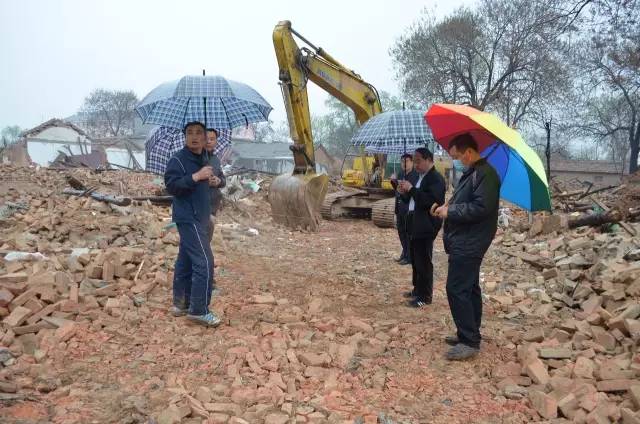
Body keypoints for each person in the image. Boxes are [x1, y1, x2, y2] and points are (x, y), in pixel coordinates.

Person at [432, 134, 501, 360]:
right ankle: (469, 331)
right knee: (470, 288)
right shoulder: (473, 173)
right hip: (465, 238)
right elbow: (466, 201)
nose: (457, 161)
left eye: (457, 157)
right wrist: (446, 206)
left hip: (471, 241)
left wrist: (451, 212)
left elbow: (481, 208)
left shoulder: (486, 175)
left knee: (456, 288)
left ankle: (469, 340)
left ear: (469, 153)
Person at [164, 121, 221, 328]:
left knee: (186, 259)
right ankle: (198, 310)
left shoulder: (206, 158)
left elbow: (216, 180)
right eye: (190, 133)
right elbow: (172, 186)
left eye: (199, 133)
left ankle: (181, 303)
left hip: (203, 216)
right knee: (204, 261)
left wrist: (214, 181)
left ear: (206, 137)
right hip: (188, 217)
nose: (194, 136)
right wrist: (196, 177)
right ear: (185, 136)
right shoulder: (177, 160)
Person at [398, 148, 446, 308]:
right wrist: (404, 192)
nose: (416, 165)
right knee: (415, 258)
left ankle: (425, 295)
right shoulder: (421, 177)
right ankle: (417, 289)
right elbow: (412, 200)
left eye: (418, 161)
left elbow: (430, 201)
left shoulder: (435, 179)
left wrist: (412, 189)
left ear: (428, 159)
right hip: (414, 222)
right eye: (415, 161)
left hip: (426, 225)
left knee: (424, 260)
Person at [390, 154, 417, 265]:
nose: (404, 163)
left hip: (408, 208)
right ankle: (404, 252)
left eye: (406, 161)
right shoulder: (401, 173)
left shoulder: (415, 176)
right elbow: (398, 190)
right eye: (402, 161)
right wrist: (393, 182)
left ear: (412, 162)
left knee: (407, 233)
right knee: (400, 231)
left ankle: (409, 256)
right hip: (399, 206)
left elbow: (412, 193)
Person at [205, 128, 226, 242]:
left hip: (213, 206)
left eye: (212, 139)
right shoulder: (195, 159)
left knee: (207, 240)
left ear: (216, 141)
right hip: (199, 207)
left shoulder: (215, 159)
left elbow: (223, 179)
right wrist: (204, 182)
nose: (209, 141)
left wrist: (218, 181)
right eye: (206, 139)